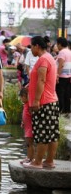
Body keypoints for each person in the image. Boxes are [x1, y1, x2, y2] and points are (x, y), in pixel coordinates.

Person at [23, 36, 59, 169]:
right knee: (52, 133)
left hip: (44, 102)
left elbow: (42, 80)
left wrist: (36, 100)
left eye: (31, 46)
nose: (31, 49)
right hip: (51, 100)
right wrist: (30, 84)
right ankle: (49, 161)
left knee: (42, 133)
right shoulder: (49, 57)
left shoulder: (43, 59)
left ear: (37, 46)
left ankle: (37, 162)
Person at [19, 88, 34, 164]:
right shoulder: (25, 105)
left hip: (30, 128)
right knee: (28, 144)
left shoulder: (29, 105)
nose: (21, 99)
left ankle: (30, 158)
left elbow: (31, 115)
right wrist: (23, 122)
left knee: (29, 144)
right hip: (27, 127)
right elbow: (25, 116)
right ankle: (29, 157)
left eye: (22, 97)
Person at [56, 37, 71, 115]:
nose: (57, 46)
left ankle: (61, 109)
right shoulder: (69, 51)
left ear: (60, 44)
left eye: (57, 44)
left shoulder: (62, 52)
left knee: (60, 94)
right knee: (67, 94)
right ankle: (67, 110)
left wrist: (57, 75)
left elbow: (61, 65)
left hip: (62, 77)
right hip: (69, 76)